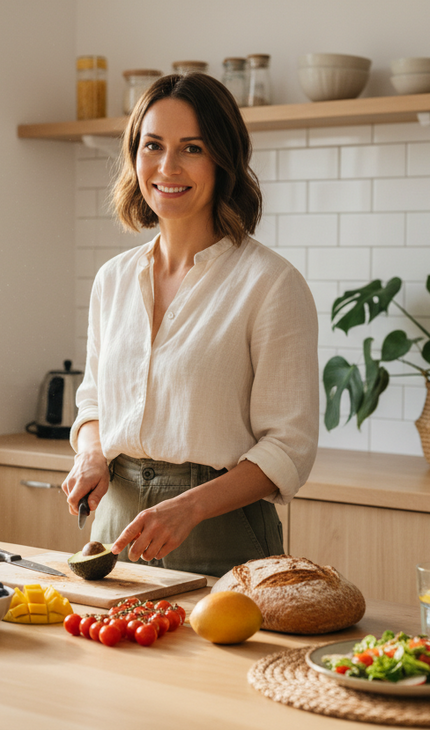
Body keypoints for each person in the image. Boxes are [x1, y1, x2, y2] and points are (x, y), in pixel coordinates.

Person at [60, 72, 319, 578]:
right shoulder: (112, 280)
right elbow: (93, 400)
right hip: (114, 523)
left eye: (192, 148)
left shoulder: (271, 284)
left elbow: (289, 447)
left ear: (224, 159)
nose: (167, 166)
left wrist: (192, 506)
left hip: (221, 530)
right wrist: (91, 454)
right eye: (152, 145)